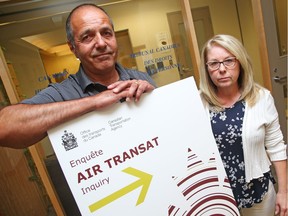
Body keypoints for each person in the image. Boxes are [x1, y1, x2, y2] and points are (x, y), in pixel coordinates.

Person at [0, 3, 156, 149]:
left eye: (106, 33)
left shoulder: (140, 79)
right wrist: (94, 102)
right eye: (87, 37)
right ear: (73, 48)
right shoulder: (62, 93)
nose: (101, 43)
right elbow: (5, 127)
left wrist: (155, 98)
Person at [199, 34, 287, 216]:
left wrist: (284, 192)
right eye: (214, 64)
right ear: (206, 69)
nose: (222, 69)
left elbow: (276, 146)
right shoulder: (197, 103)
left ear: (240, 63)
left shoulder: (262, 98)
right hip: (215, 197)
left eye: (229, 61)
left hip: (257, 193)